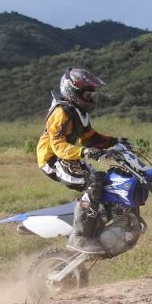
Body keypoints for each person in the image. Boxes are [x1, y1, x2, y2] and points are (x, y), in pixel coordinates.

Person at [36, 67, 124, 254]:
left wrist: (115, 142)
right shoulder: (62, 112)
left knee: (103, 179)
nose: (91, 98)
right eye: (87, 93)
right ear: (73, 92)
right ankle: (79, 237)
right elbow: (58, 145)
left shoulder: (78, 111)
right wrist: (85, 153)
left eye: (92, 94)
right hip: (53, 159)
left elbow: (90, 138)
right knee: (92, 184)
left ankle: (98, 225)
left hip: (69, 156)